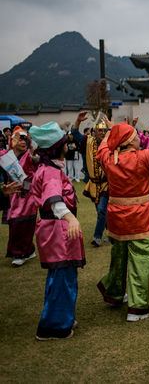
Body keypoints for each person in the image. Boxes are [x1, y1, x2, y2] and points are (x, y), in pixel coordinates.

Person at [96, 106, 149, 322]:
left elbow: (103, 148)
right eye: (135, 137)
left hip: (115, 216)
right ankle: (137, 307)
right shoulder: (143, 158)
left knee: (119, 255)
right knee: (141, 258)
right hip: (139, 216)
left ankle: (114, 294)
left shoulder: (108, 159)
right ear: (129, 142)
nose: (138, 140)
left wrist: (110, 131)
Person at [29, 122, 85, 340]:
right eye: (64, 143)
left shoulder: (45, 168)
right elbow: (55, 201)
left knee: (58, 275)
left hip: (52, 228)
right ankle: (55, 325)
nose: (67, 146)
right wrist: (70, 218)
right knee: (63, 276)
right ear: (56, 147)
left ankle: (61, 317)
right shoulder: (51, 172)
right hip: (58, 229)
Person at [0, 126, 38, 266]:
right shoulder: (7, 154)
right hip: (12, 194)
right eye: (18, 139)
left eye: (24, 139)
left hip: (27, 194)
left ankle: (21, 253)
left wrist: (32, 148)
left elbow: (36, 159)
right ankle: (27, 251)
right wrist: (11, 147)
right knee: (14, 224)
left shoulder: (29, 154)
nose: (22, 142)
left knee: (25, 224)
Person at [71, 111, 109, 247]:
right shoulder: (88, 141)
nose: (103, 133)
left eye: (105, 130)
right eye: (100, 131)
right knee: (101, 211)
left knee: (102, 210)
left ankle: (97, 237)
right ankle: (110, 232)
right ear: (94, 131)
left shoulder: (110, 142)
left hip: (106, 183)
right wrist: (78, 120)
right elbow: (74, 133)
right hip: (93, 183)